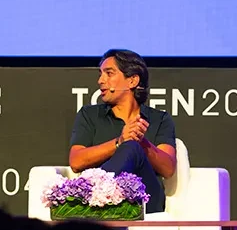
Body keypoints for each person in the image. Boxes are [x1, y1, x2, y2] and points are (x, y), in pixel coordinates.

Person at [68, 49, 176, 214]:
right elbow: (76, 161)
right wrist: (119, 142)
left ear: (132, 81)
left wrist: (140, 141)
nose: (100, 80)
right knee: (128, 145)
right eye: (100, 74)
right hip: (105, 202)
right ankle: (99, 197)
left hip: (146, 200)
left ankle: (92, 200)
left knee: (133, 147)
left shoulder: (159, 119)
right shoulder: (89, 115)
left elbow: (168, 168)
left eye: (109, 73)